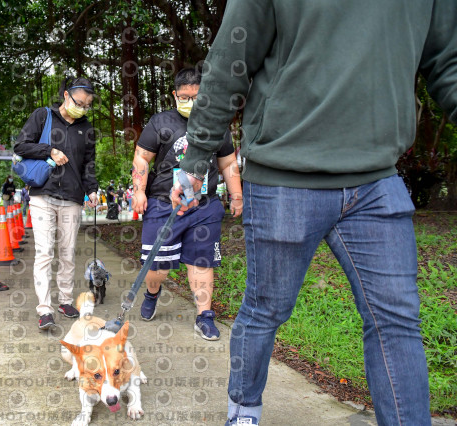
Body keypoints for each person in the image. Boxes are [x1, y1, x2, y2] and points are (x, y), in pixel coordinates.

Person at [170, 3, 457, 425]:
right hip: (285, 174)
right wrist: (196, 159)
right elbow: (231, 62)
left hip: (378, 177)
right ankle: (243, 411)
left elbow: (447, 61)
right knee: (265, 309)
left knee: (397, 320)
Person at [132, 67, 242, 341]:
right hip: (163, 204)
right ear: (174, 95)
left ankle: (204, 315)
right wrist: (139, 191)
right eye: (184, 97)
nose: (190, 102)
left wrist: (236, 195)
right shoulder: (160, 122)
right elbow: (142, 158)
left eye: (196, 97)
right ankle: (152, 293)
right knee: (158, 267)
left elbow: (228, 162)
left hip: (204, 206)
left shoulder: (217, 124)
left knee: (202, 261)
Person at [14, 76, 99, 330]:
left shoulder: (87, 129)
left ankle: (64, 300)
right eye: (79, 103)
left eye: (87, 105)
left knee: (67, 252)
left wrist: (92, 190)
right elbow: (21, 145)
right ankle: (44, 309)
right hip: (43, 195)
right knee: (44, 252)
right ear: (66, 96)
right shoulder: (43, 116)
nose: (82, 109)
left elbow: (89, 165)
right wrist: (49, 151)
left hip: (72, 197)